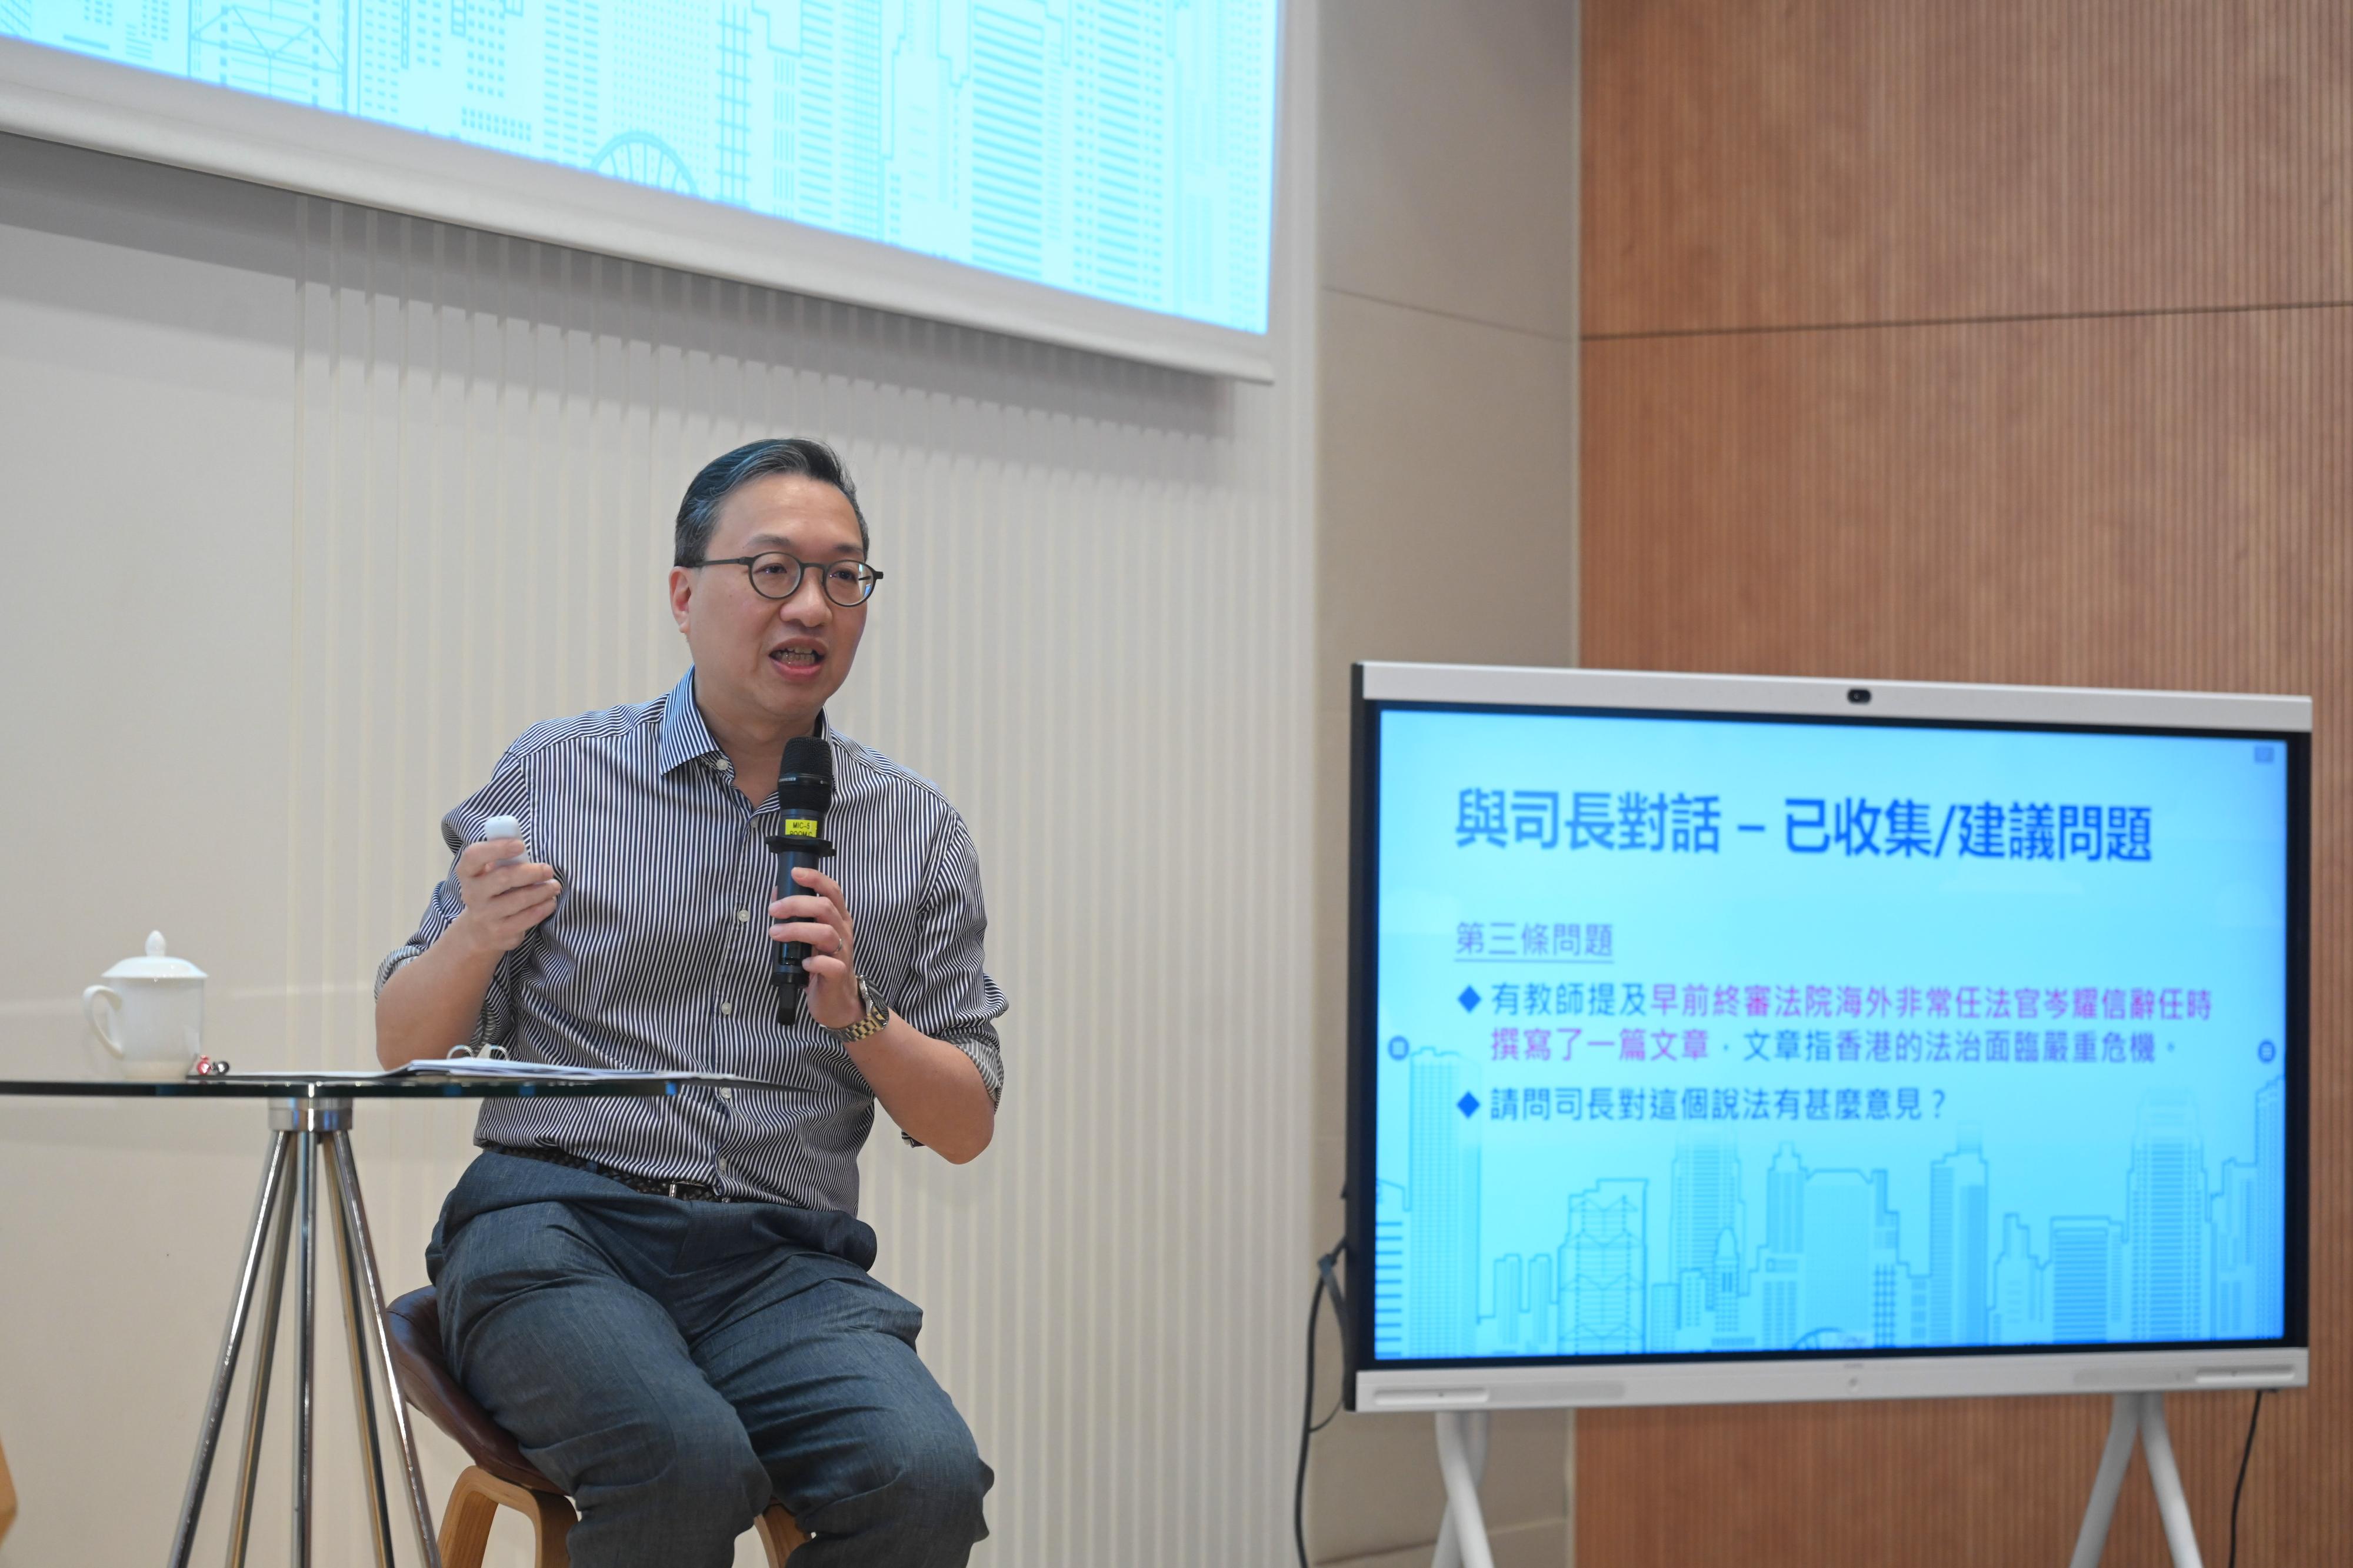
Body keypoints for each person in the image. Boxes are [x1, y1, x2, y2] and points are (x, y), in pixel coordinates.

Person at [374, 438, 1002, 1567]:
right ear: (684, 592)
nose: (811, 604)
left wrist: (855, 1013)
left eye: (844, 576)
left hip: (783, 1262)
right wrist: (477, 933)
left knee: (928, 1480)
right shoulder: (559, 773)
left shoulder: (917, 829)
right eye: (773, 570)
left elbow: (963, 1124)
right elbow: (402, 1041)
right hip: (557, 1226)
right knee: (684, 1458)